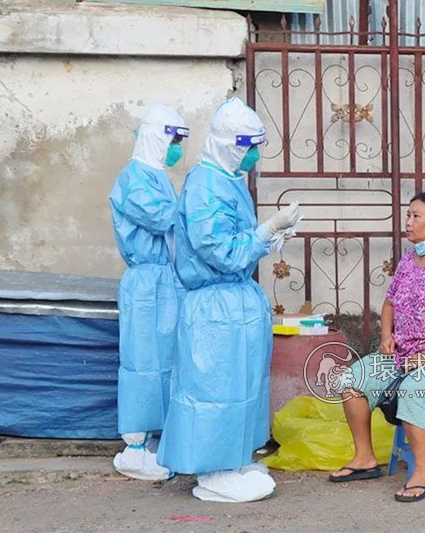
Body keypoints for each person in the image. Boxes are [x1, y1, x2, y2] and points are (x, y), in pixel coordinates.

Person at [157, 97, 302, 503]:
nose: (254, 153)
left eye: (258, 144)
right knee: (214, 388)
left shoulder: (227, 179)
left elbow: (237, 242)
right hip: (214, 305)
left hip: (236, 300)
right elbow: (220, 251)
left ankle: (234, 457)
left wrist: (270, 235)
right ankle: (213, 469)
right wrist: (266, 230)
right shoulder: (204, 185)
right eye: (247, 144)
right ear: (226, 143)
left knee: (243, 385)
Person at [329, 192, 425, 503]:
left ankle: (422, 473)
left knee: (412, 389)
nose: (408, 223)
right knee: (351, 380)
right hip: (406, 353)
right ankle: (365, 458)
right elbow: (389, 302)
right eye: (407, 216)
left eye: (415, 216)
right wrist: (387, 334)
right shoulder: (409, 260)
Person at [109, 104, 189, 481]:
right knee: (143, 362)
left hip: (167, 281)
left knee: (166, 361)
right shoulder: (134, 178)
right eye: (174, 139)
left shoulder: (157, 176)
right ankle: (133, 448)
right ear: (157, 136)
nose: (177, 148)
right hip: (145, 283)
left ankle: (152, 439)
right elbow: (165, 219)